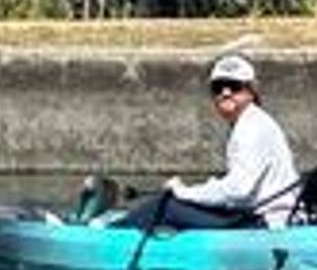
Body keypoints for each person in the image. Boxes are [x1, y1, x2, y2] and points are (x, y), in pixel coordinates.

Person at [113, 51, 306, 233]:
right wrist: (194, 192)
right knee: (176, 203)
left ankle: (108, 238)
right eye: (218, 87)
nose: (226, 92)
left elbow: (238, 191)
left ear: (251, 91)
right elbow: (238, 187)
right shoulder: (253, 122)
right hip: (261, 214)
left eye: (235, 86)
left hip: (266, 223)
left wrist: (183, 193)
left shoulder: (251, 129)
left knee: (166, 207)